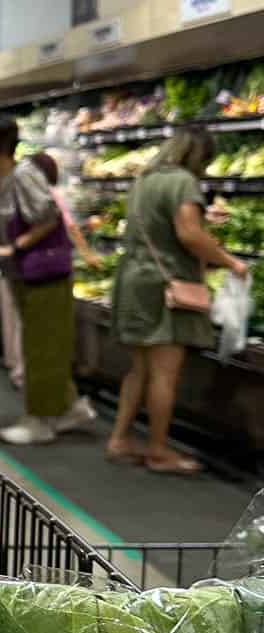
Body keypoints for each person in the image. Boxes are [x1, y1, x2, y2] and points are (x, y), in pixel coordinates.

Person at [108, 127, 250, 473]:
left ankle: (120, 438)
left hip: (133, 280)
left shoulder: (144, 179)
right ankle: (158, 450)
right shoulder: (184, 181)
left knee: (138, 369)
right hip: (165, 286)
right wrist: (231, 262)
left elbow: (164, 226)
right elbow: (188, 233)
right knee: (164, 373)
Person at [0, 118, 94, 445]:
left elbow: (48, 217)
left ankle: (39, 419)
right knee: (43, 343)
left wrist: (17, 245)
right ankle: (69, 406)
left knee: (41, 346)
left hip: (43, 273)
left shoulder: (24, 176)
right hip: (19, 274)